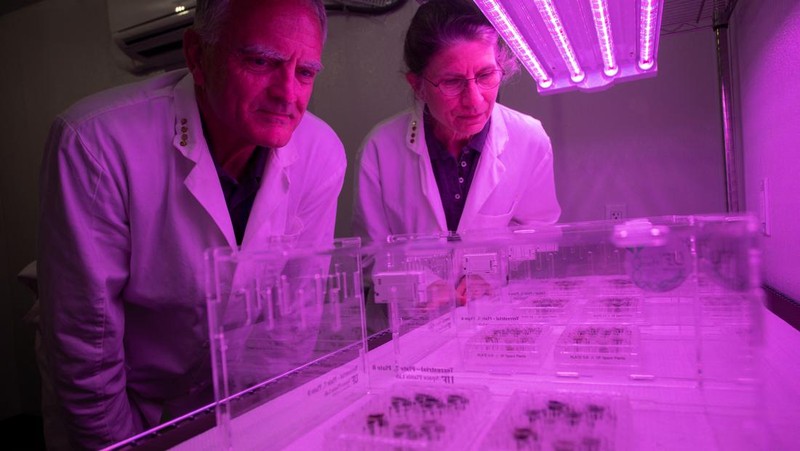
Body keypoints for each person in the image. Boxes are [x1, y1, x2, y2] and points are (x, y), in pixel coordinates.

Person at [36, 0, 345, 448]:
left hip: (237, 410)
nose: (286, 95)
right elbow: (88, 348)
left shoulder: (321, 152)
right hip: (123, 409)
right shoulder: (96, 144)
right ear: (198, 56)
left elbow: (292, 331)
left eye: (305, 73)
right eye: (260, 61)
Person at [352, 0, 561, 245]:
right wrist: (422, 281)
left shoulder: (529, 140)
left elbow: (540, 236)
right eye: (452, 82)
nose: (474, 101)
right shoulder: (380, 149)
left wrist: (491, 273)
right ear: (417, 86)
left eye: (485, 75)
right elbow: (370, 256)